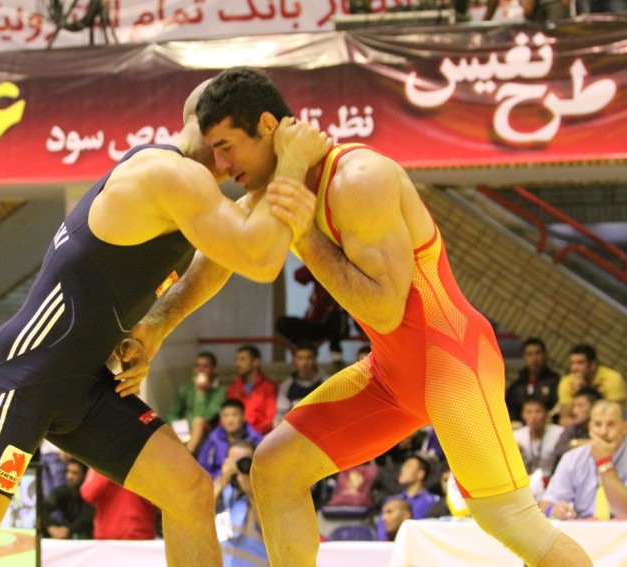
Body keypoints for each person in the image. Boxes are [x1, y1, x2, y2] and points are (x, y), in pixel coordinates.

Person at [124, 67, 590, 566]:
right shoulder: (280, 189)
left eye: (225, 147)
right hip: (391, 375)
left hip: (452, 366)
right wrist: (155, 328)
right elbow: (217, 262)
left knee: (513, 523)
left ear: (266, 126)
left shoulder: (359, 180)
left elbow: (385, 311)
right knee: (275, 467)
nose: (219, 165)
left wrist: (303, 232)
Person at [0, 80, 330, 567]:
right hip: (24, 376)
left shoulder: (188, 184)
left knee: (189, 491)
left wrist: (156, 326)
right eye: (228, 145)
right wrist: (291, 163)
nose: (234, 164)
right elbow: (259, 258)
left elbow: (218, 259)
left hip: (84, 385)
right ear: (210, 129)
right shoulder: (167, 174)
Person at [539, 399, 627, 520]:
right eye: (598, 424)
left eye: (611, 424)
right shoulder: (572, 458)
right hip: (581, 527)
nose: (603, 432)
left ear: (625, 427)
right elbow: (545, 505)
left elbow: (624, 511)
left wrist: (604, 463)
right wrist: (553, 509)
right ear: (590, 427)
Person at [275, 264, 347, 365]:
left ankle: (336, 352)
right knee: (282, 323)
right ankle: (303, 347)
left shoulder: (345, 274)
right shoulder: (320, 271)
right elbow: (298, 276)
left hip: (336, 325)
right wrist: (316, 262)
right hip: (314, 323)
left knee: (336, 315)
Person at [215, 441, 268, 567]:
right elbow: (200, 515)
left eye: (244, 461)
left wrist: (251, 493)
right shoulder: (219, 488)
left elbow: (269, 531)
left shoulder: (265, 492)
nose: (239, 466)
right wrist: (223, 481)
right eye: (234, 462)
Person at [166, 351, 226, 455]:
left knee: (198, 422)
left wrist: (200, 392)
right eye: (198, 366)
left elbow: (205, 416)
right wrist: (183, 429)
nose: (201, 369)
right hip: (185, 429)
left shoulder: (220, 392)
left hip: (208, 428)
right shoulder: (186, 388)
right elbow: (173, 413)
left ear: (214, 369)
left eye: (205, 366)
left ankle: (187, 455)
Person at [557, 344, 625, 426]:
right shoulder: (567, 381)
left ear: (593, 364)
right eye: (572, 363)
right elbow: (564, 419)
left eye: (580, 363)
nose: (574, 368)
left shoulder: (612, 378)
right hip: (581, 427)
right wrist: (578, 393)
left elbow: (614, 415)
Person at [79, 468, 156, 540]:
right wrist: (109, 467)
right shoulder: (102, 462)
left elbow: (156, 496)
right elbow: (88, 493)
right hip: (107, 538)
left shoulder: (146, 464)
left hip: (140, 537)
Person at [375, 454, 439, 540]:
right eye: (403, 466)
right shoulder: (391, 500)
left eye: (408, 466)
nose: (402, 469)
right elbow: (382, 533)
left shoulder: (432, 501)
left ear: (420, 474)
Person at [199, 400, 264, 479]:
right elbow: (203, 469)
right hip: (218, 482)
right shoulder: (212, 439)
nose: (230, 420)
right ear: (221, 418)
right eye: (226, 415)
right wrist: (222, 476)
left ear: (243, 417)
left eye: (234, 415)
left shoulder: (256, 440)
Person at [505, 338, 561, 426]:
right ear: (524, 357)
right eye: (529, 354)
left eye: (537, 353)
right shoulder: (517, 385)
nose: (534, 359)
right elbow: (511, 409)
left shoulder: (555, 381)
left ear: (545, 355)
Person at [225, 345, 277, 435]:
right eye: (237, 360)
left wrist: (249, 433)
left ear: (256, 362)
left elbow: (270, 420)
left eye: (242, 359)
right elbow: (225, 415)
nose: (237, 364)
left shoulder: (269, 387)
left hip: (259, 437)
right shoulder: (233, 388)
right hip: (233, 436)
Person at [274, 342, 327, 427]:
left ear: (315, 359)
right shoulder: (286, 386)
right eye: (300, 358)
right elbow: (280, 417)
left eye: (309, 358)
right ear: (294, 359)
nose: (304, 362)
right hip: (295, 430)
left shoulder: (327, 383)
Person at [513, 396, 564, 482]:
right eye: (529, 412)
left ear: (545, 414)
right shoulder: (516, 436)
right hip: (525, 480)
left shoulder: (559, 433)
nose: (533, 416)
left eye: (538, 411)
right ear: (523, 415)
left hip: (552, 479)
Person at [43, 459, 94, 540]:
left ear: (85, 475)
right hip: (69, 531)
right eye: (68, 471)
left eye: (75, 473)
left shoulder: (92, 492)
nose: (69, 476)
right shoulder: (63, 491)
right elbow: (42, 509)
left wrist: (69, 530)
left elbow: (89, 516)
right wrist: (51, 527)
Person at [554, 387, 602, 457]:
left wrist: (583, 443)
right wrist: (577, 443)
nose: (575, 411)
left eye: (580, 406)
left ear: (594, 406)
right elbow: (559, 449)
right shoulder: (575, 427)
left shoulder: (604, 428)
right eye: (574, 406)